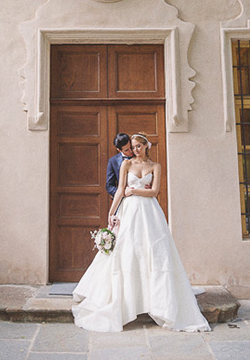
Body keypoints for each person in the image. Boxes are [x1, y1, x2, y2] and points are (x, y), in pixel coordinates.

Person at [73, 133, 210, 333]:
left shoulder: (156, 166)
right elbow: (120, 190)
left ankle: (156, 301)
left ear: (146, 146)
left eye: (138, 146)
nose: (135, 150)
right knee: (128, 250)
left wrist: (134, 191)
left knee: (153, 252)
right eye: (133, 146)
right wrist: (111, 214)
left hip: (149, 212)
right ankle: (128, 300)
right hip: (128, 211)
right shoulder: (126, 165)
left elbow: (154, 192)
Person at [105, 132, 133, 198]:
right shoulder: (113, 161)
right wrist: (123, 193)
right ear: (119, 150)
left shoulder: (140, 156)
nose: (131, 151)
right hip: (123, 198)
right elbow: (109, 186)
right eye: (126, 150)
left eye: (131, 147)